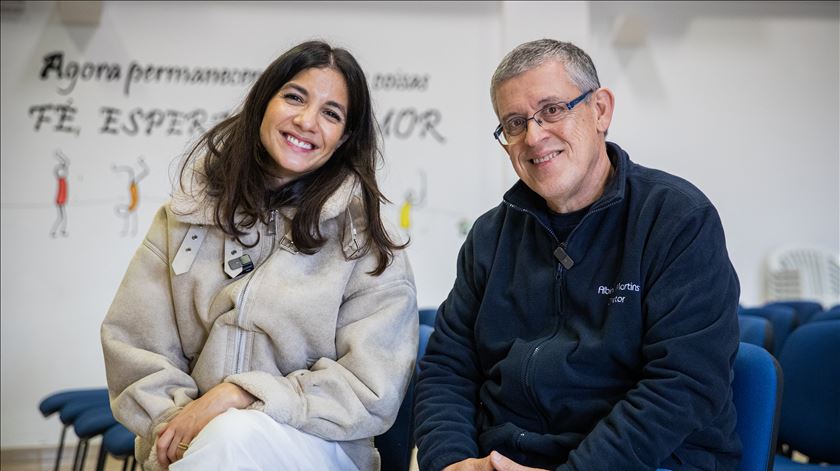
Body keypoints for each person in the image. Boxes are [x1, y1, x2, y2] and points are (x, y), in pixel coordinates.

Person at [414, 39, 741, 471]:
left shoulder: (678, 219)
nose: (533, 136)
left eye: (552, 109)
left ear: (601, 109)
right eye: (514, 123)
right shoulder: (489, 237)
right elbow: (447, 368)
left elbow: (682, 384)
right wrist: (451, 462)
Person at [101, 40, 418, 471]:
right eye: (294, 97)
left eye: (331, 113)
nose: (307, 121)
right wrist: (176, 423)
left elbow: (371, 386)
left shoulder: (367, 240)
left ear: (344, 137)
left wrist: (244, 395)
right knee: (225, 440)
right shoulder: (183, 218)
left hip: (321, 445)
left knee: (235, 434)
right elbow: (136, 346)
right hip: (194, 444)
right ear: (263, 102)